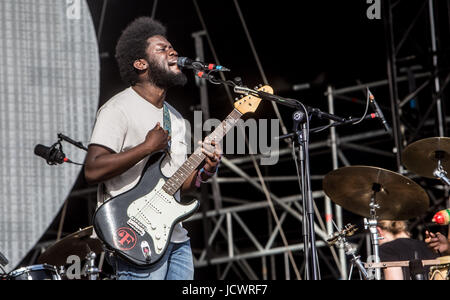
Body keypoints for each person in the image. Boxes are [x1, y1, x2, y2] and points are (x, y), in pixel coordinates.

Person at [84, 17, 222, 280]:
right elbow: (92, 169)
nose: (173, 51)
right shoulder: (118, 108)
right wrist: (147, 147)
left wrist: (206, 170)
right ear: (140, 64)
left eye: (172, 47)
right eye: (162, 48)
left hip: (176, 239)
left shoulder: (177, 120)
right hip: (135, 237)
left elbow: (180, 184)